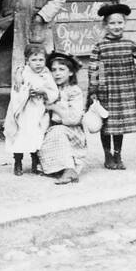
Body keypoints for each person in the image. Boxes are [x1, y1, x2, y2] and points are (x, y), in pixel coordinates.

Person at [88, 2, 136, 170]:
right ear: (105, 25)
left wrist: (132, 71)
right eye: (112, 23)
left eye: (119, 22)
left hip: (124, 91)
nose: (116, 26)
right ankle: (107, 156)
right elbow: (94, 69)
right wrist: (93, 90)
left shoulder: (130, 44)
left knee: (118, 125)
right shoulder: (100, 46)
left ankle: (118, 155)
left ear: (125, 23)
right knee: (106, 124)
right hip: (105, 91)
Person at [4, 43, 57, 176]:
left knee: (38, 136)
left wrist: (44, 92)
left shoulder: (46, 74)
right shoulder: (22, 73)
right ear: (27, 60)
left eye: (41, 60)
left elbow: (54, 92)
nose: (38, 63)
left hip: (39, 112)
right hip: (24, 112)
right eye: (34, 60)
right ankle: (18, 162)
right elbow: (15, 93)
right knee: (20, 136)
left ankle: (36, 162)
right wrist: (27, 92)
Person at [40, 51, 86, 185]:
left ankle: (69, 170)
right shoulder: (50, 89)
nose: (57, 73)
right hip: (51, 129)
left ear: (70, 72)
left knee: (57, 132)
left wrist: (55, 108)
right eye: (53, 70)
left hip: (72, 131)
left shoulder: (74, 91)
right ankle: (55, 166)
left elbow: (74, 118)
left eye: (61, 69)